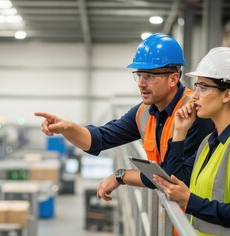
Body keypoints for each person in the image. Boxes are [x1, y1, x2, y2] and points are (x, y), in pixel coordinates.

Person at [34, 33, 213, 203]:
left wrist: (122, 176)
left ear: (173, 79)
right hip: (170, 223)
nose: (141, 83)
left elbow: (172, 178)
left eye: (149, 76)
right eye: (139, 75)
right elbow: (99, 138)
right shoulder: (143, 112)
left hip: (193, 226)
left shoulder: (195, 112)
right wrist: (67, 128)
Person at [152, 47, 230, 236]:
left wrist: (189, 201)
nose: (194, 95)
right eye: (196, 86)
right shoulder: (209, 142)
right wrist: (180, 130)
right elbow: (174, 178)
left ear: (227, 95)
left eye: (203, 87)